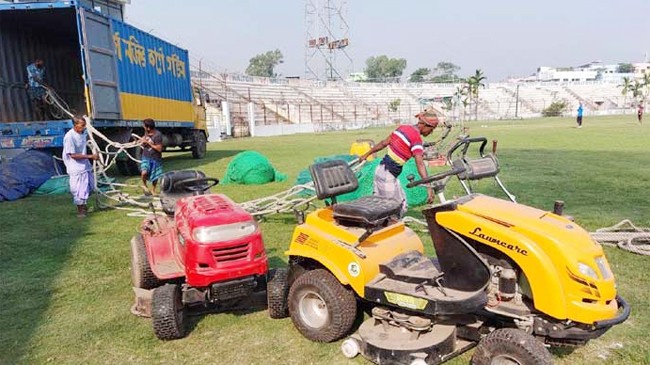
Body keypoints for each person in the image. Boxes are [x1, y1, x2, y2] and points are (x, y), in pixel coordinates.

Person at [359, 109, 439, 217]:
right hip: (387, 175)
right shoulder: (416, 138)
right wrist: (429, 187)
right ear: (425, 125)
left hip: (383, 171)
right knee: (391, 211)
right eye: (432, 129)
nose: (431, 132)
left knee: (401, 204)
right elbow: (420, 164)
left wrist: (366, 154)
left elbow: (383, 143)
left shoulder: (402, 128)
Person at [62, 117, 99, 218]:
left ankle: (84, 206)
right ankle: (80, 211)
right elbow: (72, 155)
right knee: (78, 190)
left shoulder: (82, 134)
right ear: (75, 125)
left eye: (84, 125)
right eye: (82, 125)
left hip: (84, 166)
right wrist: (90, 156)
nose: (84, 127)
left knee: (88, 187)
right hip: (75, 168)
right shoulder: (69, 137)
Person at [139, 118, 164, 195]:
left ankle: (153, 190)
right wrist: (141, 141)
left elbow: (159, 149)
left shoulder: (158, 135)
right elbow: (144, 139)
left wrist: (148, 143)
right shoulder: (146, 132)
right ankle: (145, 186)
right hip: (145, 157)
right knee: (144, 173)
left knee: (155, 176)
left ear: (148, 127)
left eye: (144, 126)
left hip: (155, 158)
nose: (143, 127)